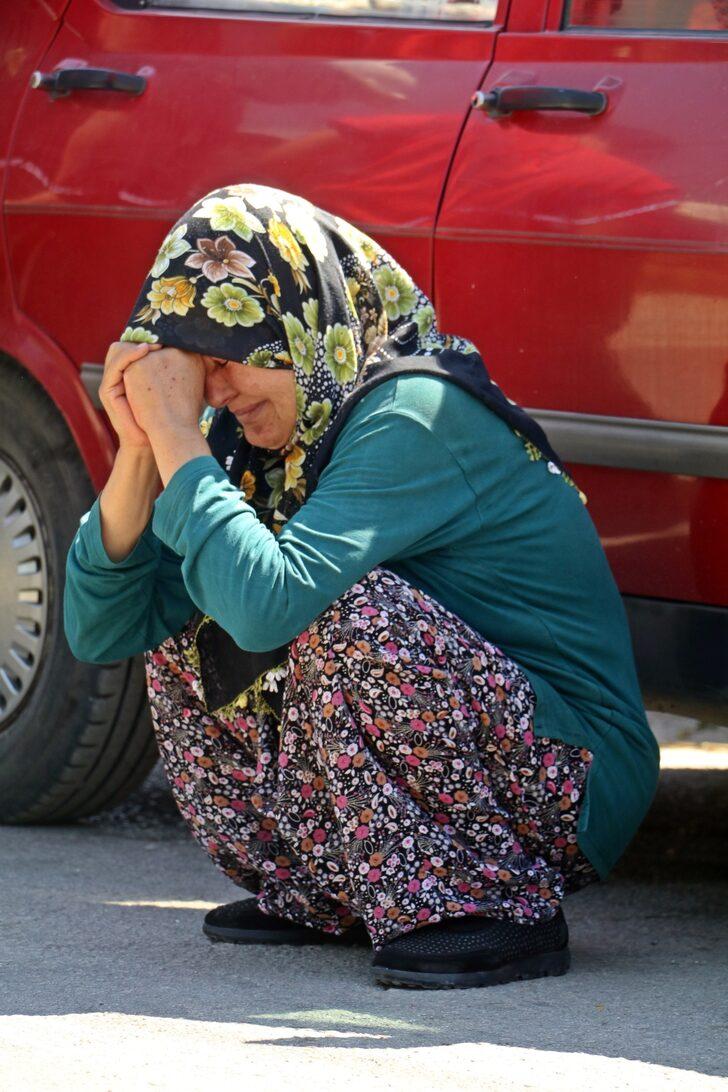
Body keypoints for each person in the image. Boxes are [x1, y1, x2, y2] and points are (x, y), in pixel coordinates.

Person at [64, 184, 659, 990]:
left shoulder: (414, 410)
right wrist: (139, 448)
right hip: (468, 756)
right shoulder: (250, 443)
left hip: (565, 779)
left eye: (227, 357)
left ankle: (490, 904)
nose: (213, 391)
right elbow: (103, 632)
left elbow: (271, 604)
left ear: (297, 318)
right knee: (189, 615)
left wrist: (176, 435)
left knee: (341, 606)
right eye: (191, 370)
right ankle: (335, 891)